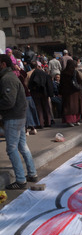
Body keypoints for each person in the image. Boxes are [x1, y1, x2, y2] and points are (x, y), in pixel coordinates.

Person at [0, 54, 38, 190]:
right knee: (22, 146)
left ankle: (21, 180)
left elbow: (8, 101)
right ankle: (32, 173)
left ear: (3, 64)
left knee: (11, 149)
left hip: (14, 117)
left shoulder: (7, 79)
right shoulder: (9, 77)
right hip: (19, 116)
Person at [59, 59, 82, 127]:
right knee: (76, 107)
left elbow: (61, 83)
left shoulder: (63, 73)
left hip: (66, 93)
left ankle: (70, 121)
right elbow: (80, 80)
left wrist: (60, 91)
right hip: (75, 92)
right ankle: (76, 120)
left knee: (68, 107)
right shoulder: (75, 72)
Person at [28, 62, 54, 128]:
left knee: (38, 108)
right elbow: (49, 85)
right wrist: (50, 94)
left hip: (36, 93)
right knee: (46, 107)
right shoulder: (45, 74)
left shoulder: (33, 74)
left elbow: (30, 85)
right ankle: (48, 122)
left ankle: (40, 123)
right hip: (44, 93)